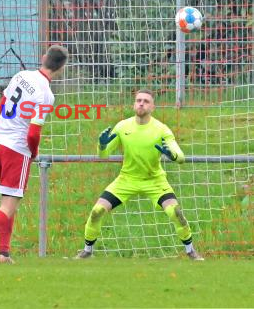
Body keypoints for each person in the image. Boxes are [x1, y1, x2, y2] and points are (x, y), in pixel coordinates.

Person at [0, 45, 68, 264]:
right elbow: (33, 133)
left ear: (44, 58)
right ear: (61, 68)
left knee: (8, 200)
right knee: (9, 204)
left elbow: (1, 106)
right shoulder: (46, 95)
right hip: (16, 150)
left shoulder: (21, 75)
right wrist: (34, 152)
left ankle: (4, 252)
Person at [75, 89, 204, 261]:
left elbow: (180, 157)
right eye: (138, 100)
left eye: (146, 101)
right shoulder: (122, 126)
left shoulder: (161, 129)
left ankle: (191, 251)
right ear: (134, 104)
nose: (141, 103)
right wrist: (101, 145)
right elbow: (103, 155)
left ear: (153, 107)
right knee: (97, 211)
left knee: (176, 213)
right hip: (126, 179)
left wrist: (172, 154)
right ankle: (86, 251)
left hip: (154, 180)